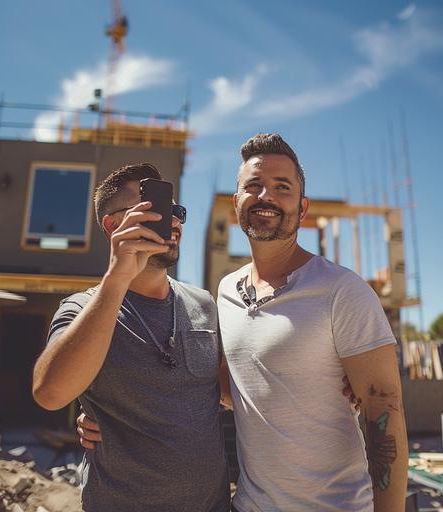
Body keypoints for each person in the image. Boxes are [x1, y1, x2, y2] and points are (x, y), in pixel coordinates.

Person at [216, 133, 408, 512]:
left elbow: (383, 406)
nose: (265, 195)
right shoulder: (225, 292)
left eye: (281, 187)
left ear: (302, 209)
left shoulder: (340, 289)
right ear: (237, 202)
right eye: (253, 186)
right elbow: (231, 388)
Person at [33, 163, 230, 512]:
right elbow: (50, 394)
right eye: (155, 209)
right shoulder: (81, 308)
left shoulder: (204, 303)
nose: (172, 221)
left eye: (176, 210)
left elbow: (232, 392)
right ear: (112, 226)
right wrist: (117, 276)